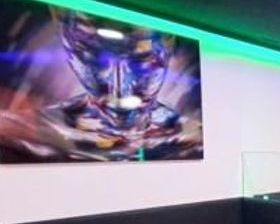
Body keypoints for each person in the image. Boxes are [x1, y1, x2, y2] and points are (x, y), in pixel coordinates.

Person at [0, 9, 201, 162]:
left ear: (168, 51)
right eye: (95, 62)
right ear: (69, 51)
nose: (120, 90)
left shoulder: (192, 138)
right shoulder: (19, 135)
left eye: (141, 63)